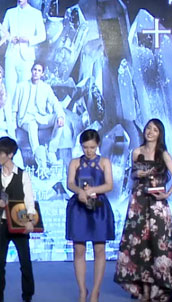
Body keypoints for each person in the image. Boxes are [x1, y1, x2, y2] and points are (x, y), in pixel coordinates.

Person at [114, 119, 172, 301]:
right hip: (138, 202)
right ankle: (143, 291)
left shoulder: (163, 154)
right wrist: (137, 174)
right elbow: (131, 175)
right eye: (148, 129)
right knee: (140, 245)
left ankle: (159, 289)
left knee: (158, 245)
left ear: (160, 134)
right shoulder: (136, 152)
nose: (150, 132)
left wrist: (166, 194)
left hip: (157, 205)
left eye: (155, 130)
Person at [65, 129, 115, 302]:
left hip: (98, 207)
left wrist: (92, 190)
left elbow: (109, 185)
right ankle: (82, 290)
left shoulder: (104, 162)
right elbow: (70, 183)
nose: (89, 151)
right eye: (85, 147)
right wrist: (80, 191)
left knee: (99, 249)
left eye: (92, 147)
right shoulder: (75, 163)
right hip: (79, 208)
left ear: (98, 145)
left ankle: (95, 291)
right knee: (79, 249)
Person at [0, 137, 36, 302]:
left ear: (10, 154)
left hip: (20, 223)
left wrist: (30, 220)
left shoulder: (23, 175)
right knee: (0, 263)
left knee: (25, 262)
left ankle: (27, 296)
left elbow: (29, 200)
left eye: (1, 153)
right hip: (2, 224)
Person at [11, 61, 68, 171]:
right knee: (32, 125)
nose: (36, 72)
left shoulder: (46, 87)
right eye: (35, 70)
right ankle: (40, 158)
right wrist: (13, 126)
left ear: (42, 74)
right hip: (26, 119)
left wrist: (60, 116)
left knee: (59, 118)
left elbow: (55, 103)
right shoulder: (21, 86)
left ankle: (51, 151)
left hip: (41, 118)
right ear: (31, 71)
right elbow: (14, 109)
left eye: (39, 71)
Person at [2, 0, 45, 98]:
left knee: (24, 88)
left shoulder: (36, 13)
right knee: (9, 88)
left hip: (27, 56)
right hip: (11, 54)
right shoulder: (10, 12)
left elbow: (42, 35)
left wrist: (28, 39)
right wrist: (10, 38)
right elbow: (2, 31)